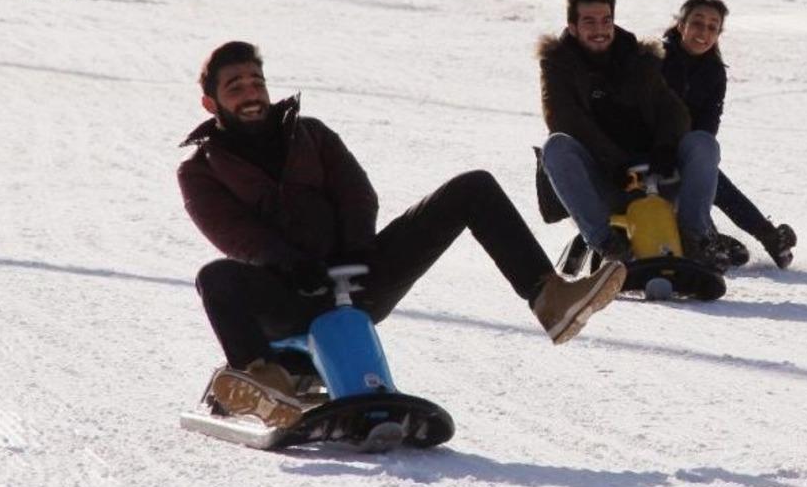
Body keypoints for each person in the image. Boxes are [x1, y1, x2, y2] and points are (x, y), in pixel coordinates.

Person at [178, 41, 626, 425]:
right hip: (287, 293)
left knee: (473, 187)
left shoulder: (310, 133)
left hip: (358, 275)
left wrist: (354, 250)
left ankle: (550, 297)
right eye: (235, 87)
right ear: (211, 104)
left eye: (256, 82)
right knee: (216, 277)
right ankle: (264, 379)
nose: (251, 93)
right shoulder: (200, 171)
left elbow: (356, 193)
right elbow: (233, 233)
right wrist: (292, 265)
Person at [537, 0, 728, 270]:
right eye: (589, 21)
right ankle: (607, 244)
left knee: (702, 143)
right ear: (573, 27)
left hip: (656, 176)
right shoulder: (558, 64)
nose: (599, 29)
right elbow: (565, 120)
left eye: (606, 20)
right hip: (605, 180)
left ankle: (695, 238)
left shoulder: (638, 58)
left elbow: (671, 110)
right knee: (556, 147)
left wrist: (666, 146)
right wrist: (615, 164)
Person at [661, 0, 796, 267]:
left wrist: (691, 158)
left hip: (684, 151)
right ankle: (758, 236)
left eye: (713, 27)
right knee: (706, 170)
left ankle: (753, 238)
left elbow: (708, 125)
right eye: (697, 23)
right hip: (646, 149)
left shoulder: (714, 72)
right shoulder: (655, 59)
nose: (704, 32)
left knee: (705, 158)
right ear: (680, 25)